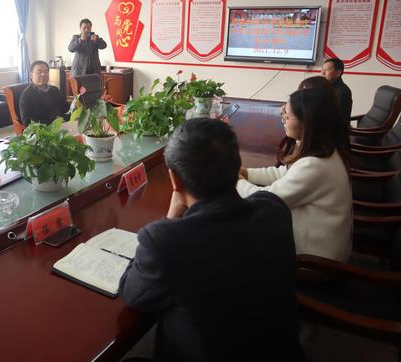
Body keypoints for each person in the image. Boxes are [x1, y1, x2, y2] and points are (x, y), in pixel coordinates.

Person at [119, 118, 301, 362]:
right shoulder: (274, 209)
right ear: (237, 166)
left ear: (175, 180)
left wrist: (171, 217)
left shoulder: (165, 241)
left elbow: (133, 293)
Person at [238, 86, 352, 262]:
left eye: (288, 115)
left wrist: (235, 180)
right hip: (313, 244)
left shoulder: (315, 165)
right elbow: (284, 173)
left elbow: (266, 202)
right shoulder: (323, 149)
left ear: (307, 122)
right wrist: (246, 173)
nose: (283, 118)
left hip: (314, 262)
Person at [19, 60, 69, 126]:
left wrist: (64, 119)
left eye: (46, 72)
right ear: (31, 75)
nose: (43, 74)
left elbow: (66, 108)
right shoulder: (26, 95)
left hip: (62, 124)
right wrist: (51, 124)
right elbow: (26, 120)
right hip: (44, 129)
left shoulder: (55, 90)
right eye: (39, 72)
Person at [321, 57, 352, 123]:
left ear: (338, 73)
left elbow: (338, 119)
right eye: (322, 70)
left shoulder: (342, 92)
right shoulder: (326, 87)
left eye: (327, 70)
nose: (322, 73)